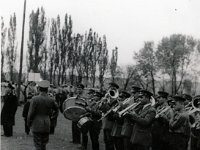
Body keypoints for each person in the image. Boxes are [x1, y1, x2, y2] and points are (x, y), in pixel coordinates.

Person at [27, 80, 58, 150]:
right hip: (47, 123)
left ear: (39, 89)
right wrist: (53, 118)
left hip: (37, 123)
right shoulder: (51, 99)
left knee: (37, 144)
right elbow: (57, 109)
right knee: (44, 144)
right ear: (47, 89)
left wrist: (28, 123)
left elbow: (30, 113)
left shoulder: (35, 99)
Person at [121, 86, 141, 150]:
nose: (133, 94)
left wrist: (125, 110)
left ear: (138, 93)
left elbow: (135, 114)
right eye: (132, 93)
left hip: (132, 128)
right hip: (126, 128)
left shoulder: (140, 103)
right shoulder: (130, 100)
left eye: (134, 93)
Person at [101, 82, 119, 150]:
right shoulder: (107, 100)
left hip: (111, 124)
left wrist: (105, 103)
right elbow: (101, 109)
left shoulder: (116, 101)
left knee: (110, 142)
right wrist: (102, 102)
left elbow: (111, 113)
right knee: (106, 141)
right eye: (109, 88)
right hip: (105, 123)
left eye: (111, 88)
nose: (109, 89)